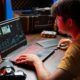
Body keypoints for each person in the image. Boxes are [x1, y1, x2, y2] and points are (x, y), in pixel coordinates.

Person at [15, 0, 80, 80]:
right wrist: (71, 44)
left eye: (58, 18)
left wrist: (36, 61)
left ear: (70, 22)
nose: (55, 21)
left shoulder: (75, 50)